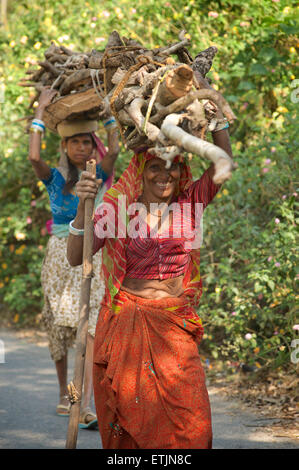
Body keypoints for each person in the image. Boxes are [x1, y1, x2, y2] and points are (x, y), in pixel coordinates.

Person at [67, 78, 234, 447]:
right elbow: (76, 256)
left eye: (172, 167)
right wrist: (82, 206)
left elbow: (224, 161)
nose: (164, 175)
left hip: (175, 325)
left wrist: (213, 107)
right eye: (154, 168)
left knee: (194, 424)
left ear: (181, 170)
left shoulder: (190, 205)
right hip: (128, 321)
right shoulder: (118, 208)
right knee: (131, 421)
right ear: (139, 170)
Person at [28, 88, 119, 428]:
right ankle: (65, 394)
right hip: (59, 257)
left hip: (92, 253)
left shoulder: (99, 176)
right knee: (59, 329)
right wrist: (40, 108)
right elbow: (34, 157)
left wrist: (108, 109)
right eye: (76, 142)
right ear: (65, 147)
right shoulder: (54, 178)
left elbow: (116, 146)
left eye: (87, 142)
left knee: (92, 325)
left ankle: (84, 399)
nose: (82, 147)